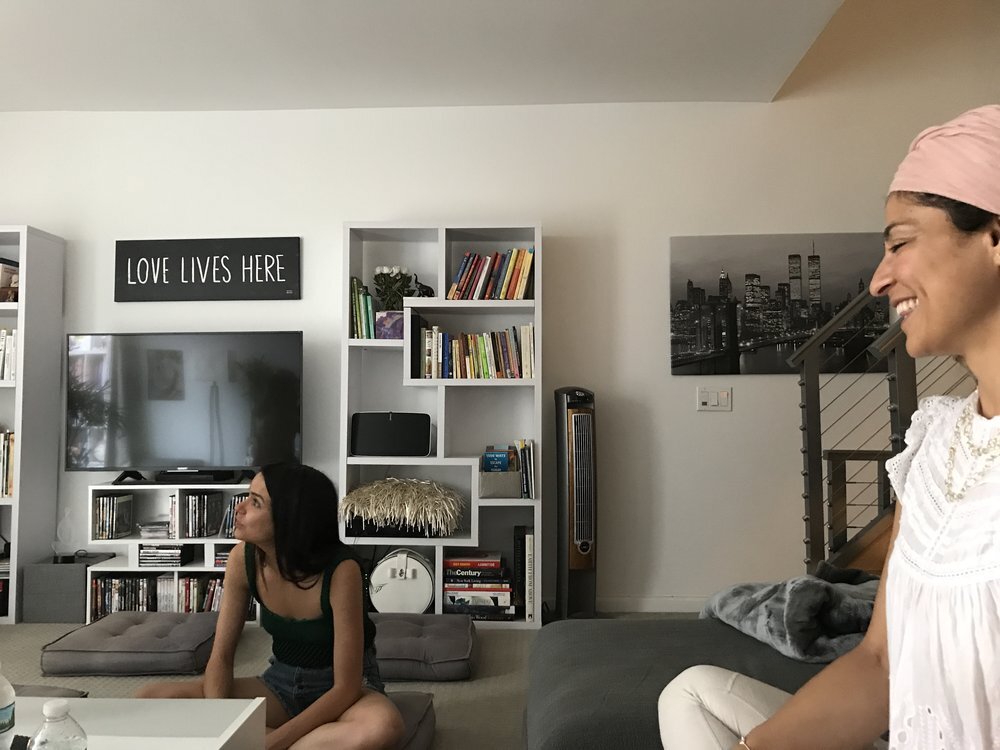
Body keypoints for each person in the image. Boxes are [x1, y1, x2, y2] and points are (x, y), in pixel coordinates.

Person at [658, 103, 1000, 749]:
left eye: (900, 243)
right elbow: (881, 663)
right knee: (691, 693)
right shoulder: (935, 444)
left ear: (995, 237)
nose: (879, 280)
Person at [137, 462, 405, 750]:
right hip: (280, 683)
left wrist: (273, 742)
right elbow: (221, 658)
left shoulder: (342, 570)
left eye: (255, 503)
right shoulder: (242, 559)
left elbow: (346, 688)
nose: (239, 509)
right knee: (150, 699)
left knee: (382, 727)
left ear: (290, 519)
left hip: (345, 696)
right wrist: (220, 725)